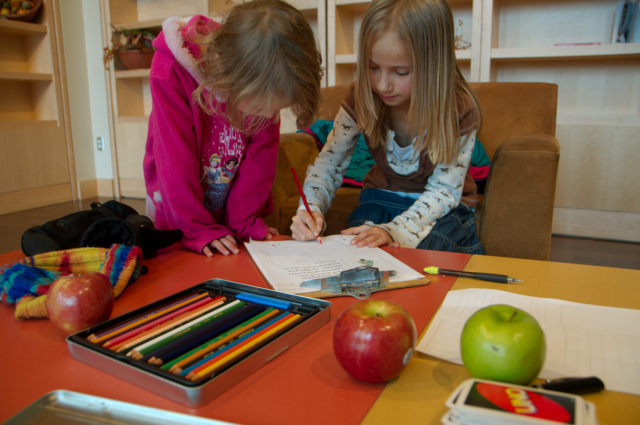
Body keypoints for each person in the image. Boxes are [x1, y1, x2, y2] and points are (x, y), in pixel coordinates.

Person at [290, 0, 484, 254]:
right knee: (357, 251)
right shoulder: (361, 96)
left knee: (427, 251)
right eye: (372, 67)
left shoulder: (459, 107)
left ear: (435, 65)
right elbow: (329, 163)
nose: (382, 85)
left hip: (444, 210)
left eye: (400, 72)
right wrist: (310, 208)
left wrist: (395, 231)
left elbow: (444, 192)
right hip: (380, 198)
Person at [144, 0, 323, 257]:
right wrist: (195, 229)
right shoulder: (171, 70)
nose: (268, 116)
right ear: (226, 72)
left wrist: (244, 222)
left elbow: (259, 163)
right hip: (176, 208)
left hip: (222, 200)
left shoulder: (262, 80)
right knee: (177, 269)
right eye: (261, 109)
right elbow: (174, 160)